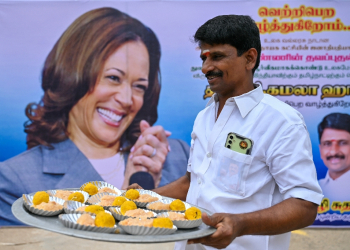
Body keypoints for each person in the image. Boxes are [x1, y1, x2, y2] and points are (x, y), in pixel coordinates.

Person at [129, 15, 323, 250]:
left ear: (250, 58)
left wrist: (240, 224)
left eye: (217, 57)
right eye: (204, 58)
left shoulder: (282, 122)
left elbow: (305, 206)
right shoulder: (205, 116)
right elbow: (194, 182)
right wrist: (147, 199)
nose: (206, 68)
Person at [0, 7, 189, 226]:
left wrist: (153, 191)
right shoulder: (15, 180)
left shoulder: (180, 158)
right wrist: (127, 201)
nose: (127, 99)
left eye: (139, 86)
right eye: (113, 77)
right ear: (72, 75)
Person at [318, 113, 350, 201]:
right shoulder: (312, 191)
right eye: (327, 144)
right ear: (320, 150)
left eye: (343, 143)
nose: (333, 151)